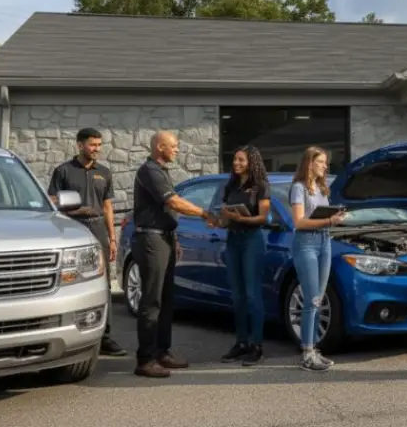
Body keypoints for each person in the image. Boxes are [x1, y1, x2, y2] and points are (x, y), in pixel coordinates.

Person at [131, 130, 219, 378]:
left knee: (166, 298)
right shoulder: (149, 171)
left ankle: (162, 352)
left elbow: (167, 212)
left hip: (165, 237)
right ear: (160, 147)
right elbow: (173, 202)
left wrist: (175, 238)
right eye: (174, 146)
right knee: (152, 300)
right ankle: (145, 359)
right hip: (151, 239)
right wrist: (204, 213)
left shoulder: (162, 171)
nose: (177, 150)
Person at [47, 127, 126, 357]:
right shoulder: (63, 171)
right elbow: (53, 200)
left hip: (98, 228)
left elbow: (107, 207)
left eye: (99, 145)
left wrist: (112, 238)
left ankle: (105, 337)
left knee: (104, 283)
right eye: (92, 145)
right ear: (80, 145)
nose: (96, 149)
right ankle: (75, 336)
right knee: (74, 282)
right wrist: (76, 209)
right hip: (73, 228)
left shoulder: (104, 172)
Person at [289, 146, 345, 372]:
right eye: (321, 162)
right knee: (311, 298)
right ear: (309, 163)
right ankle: (307, 353)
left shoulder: (322, 188)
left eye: (325, 162)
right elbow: (299, 221)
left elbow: (323, 216)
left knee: (319, 299)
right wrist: (329, 221)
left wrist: (336, 218)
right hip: (306, 243)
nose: (325, 166)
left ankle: (314, 349)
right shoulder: (298, 188)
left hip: (324, 241)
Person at [218, 145, 271, 366]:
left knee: (252, 294)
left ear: (251, 162)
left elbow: (263, 218)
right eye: (235, 159)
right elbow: (225, 217)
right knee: (237, 295)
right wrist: (220, 219)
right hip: (233, 240)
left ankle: (256, 345)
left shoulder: (260, 186)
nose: (236, 163)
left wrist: (240, 218)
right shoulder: (231, 185)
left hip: (252, 240)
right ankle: (241, 343)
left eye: (241, 160)